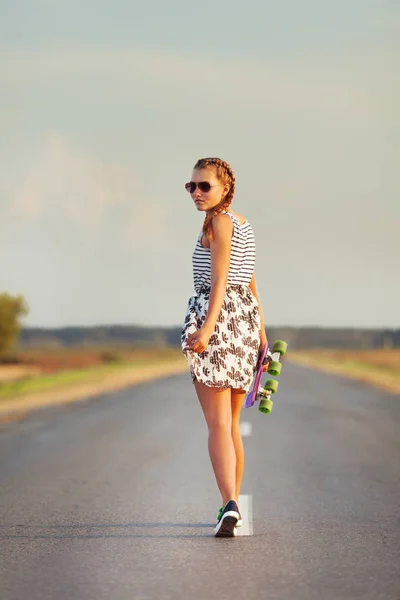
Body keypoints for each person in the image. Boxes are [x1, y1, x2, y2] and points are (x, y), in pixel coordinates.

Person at [181, 157, 270, 538]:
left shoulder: (219, 223)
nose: (197, 193)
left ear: (225, 189)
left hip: (218, 323)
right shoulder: (242, 224)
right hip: (244, 322)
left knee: (217, 424)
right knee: (230, 423)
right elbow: (249, 282)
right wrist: (262, 333)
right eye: (192, 186)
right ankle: (228, 502)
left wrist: (205, 330)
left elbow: (220, 283)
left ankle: (230, 503)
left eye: (205, 186)